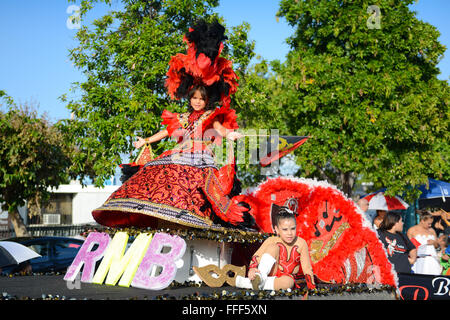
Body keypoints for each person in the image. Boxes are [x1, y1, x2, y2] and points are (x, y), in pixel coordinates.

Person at [92, 20, 252, 231]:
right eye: (194, 98)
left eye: (200, 99)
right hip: (178, 154)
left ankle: (189, 220)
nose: (197, 102)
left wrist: (230, 135)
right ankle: (159, 218)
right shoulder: (183, 117)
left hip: (201, 158)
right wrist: (146, 141)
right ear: (189, 98)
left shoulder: (210, 116)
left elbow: (220, 129)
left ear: (206, 101)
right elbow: (166, 132)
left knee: (189, 185)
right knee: (158, 175)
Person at [234, 205, 315, 290]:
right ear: (277, 229)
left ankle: (249, 283)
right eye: (285, 229)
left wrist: (311, 285)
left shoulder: (301, 243)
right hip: (269, 273)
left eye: (292, 229)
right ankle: (260, 277)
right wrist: (252, 269)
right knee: (273, 247)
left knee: (288, 283)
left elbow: (307, 268)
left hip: (286, 278)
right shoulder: (271, 240)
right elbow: (256, 257)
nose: (289, 233)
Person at [407, 210, 442, 275]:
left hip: (432, 260)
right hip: (419, 259)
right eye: (429, 223)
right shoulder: (412, 230)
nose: (430, 225)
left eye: (431, 223)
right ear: (422, 221)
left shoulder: (432, 230)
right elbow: (408, 246)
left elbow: (437, 245)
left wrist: (434, 243)